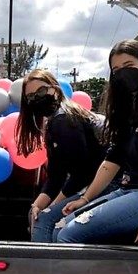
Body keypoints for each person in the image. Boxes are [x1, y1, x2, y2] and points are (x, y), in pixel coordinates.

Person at [55, 39, 138, 245]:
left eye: (129, 66)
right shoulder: (130, 108)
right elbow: (112, 159)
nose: (123, 74)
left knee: (69, 235)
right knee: (61, 228)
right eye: (116, 70)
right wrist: (85, 199)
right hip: (130, 190)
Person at [15, 68, 116, 242]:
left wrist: (52, 206)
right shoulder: (54, 122)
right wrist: (36, 206)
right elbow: (56, 175)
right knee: (38, 214)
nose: (37, 98)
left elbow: (82, 173)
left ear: (55, 88)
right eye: (31, 96)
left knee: (45, 220)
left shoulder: (64, 119)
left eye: (42, 90)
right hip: (93, 183)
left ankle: (43, 268)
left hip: (108, 184)